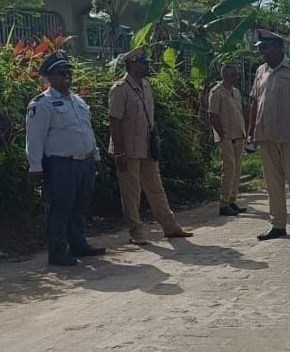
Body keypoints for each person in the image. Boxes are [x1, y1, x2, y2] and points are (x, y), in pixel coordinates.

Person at [25, 50, 106, 266]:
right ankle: (57, 251)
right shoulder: (42, 104)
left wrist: (96, 155)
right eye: (61, 73)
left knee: (80, 205)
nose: (66, 77)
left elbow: (87, 130)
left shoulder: (78, 101)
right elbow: (35, 137)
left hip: (84, 161)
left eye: (68, 73)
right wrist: (35, 166)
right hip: (60, 163)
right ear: (50, 78)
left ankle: (78, 244)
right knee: (60, 207)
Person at [108, 47, 193, 245]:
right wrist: (119, 151)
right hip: (128, 148)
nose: (147, 66)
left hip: (146, 145)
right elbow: (114, 122)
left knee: (156, 188)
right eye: (143, 63)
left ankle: (170, 227)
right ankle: (136, 231)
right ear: (131, 65)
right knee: (132, 192)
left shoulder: (145, 85)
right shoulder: (120, 89)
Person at [248, 29, 290, 241]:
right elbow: (254, 101)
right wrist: (251, 130)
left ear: (278, 48)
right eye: (262, 49)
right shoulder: (261, 71)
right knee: (272, 183)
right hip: (266, 136)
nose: (263, 53)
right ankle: (277, 224)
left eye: (266, 48)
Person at [208, 63, 248, 216]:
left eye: (236, 75)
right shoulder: (217, 92)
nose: (235, 78)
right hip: (226, 137)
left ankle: (232, 200)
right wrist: (222, 134)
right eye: (232, 75)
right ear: (224, 76)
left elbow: (240, 111)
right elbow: (213, 115)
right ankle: (223, 203)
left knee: (237, 170)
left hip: (238, 135)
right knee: (229, 169)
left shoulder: (236, 92)